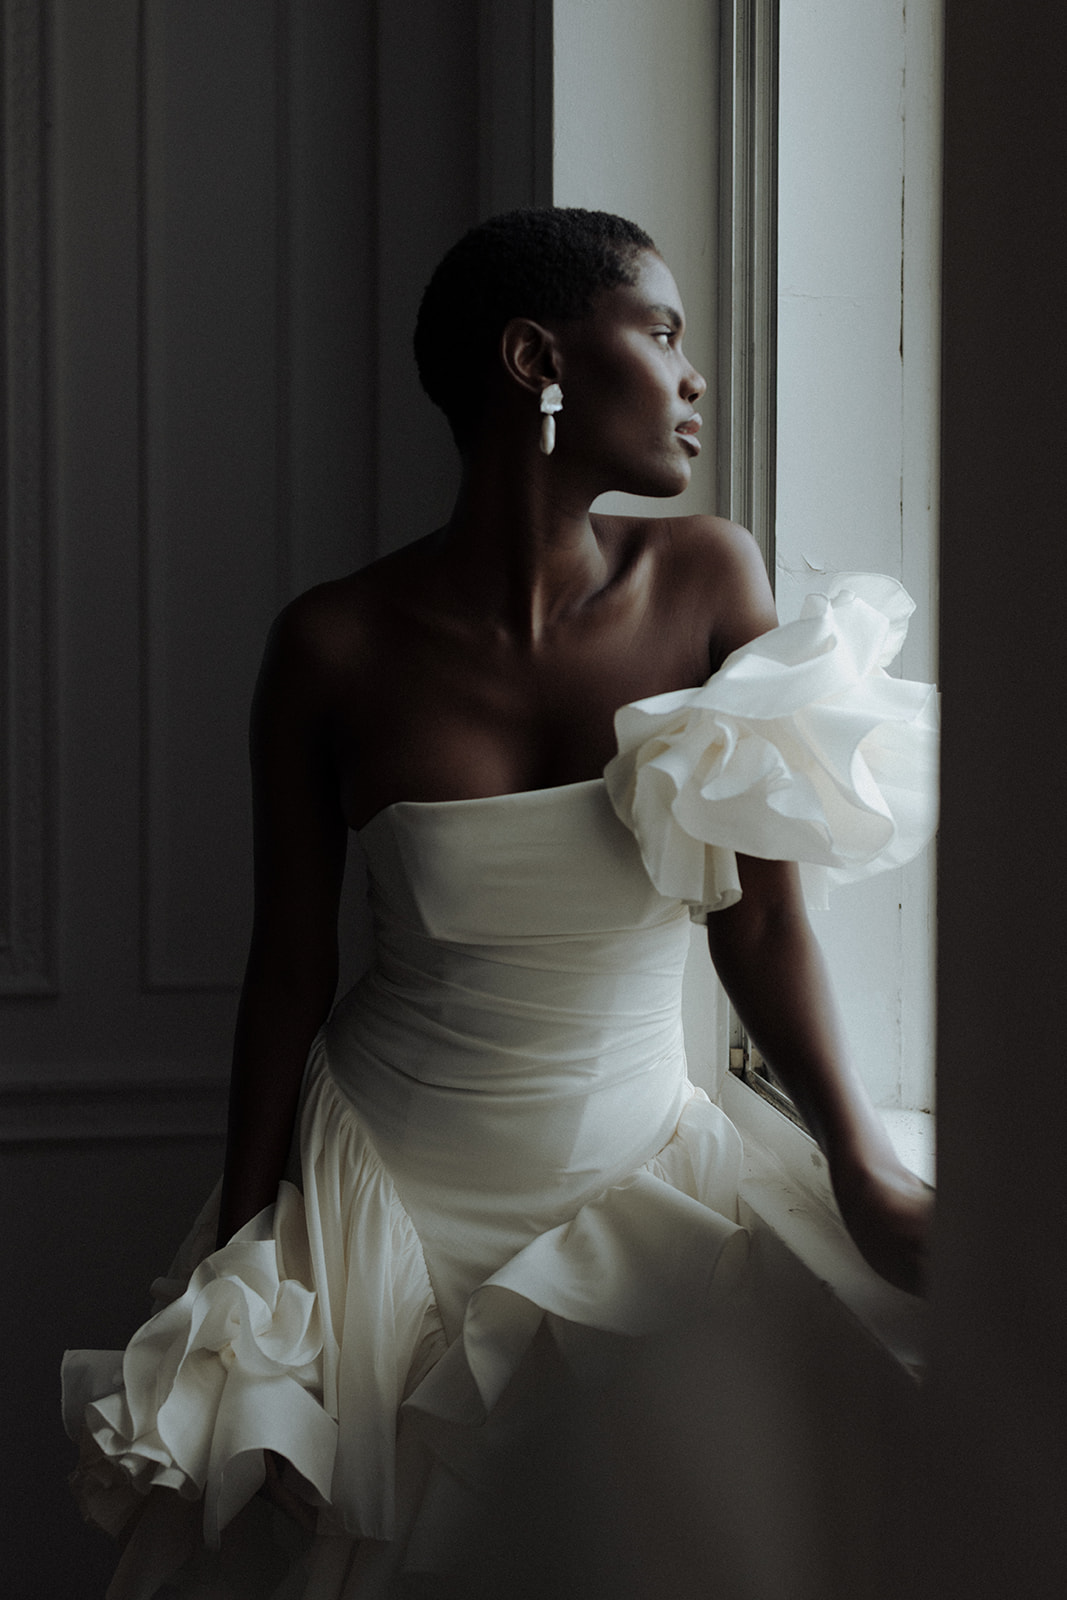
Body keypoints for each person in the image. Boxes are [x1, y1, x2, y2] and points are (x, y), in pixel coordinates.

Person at [63, 207, 937, 1598]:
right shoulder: (332, 643)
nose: (692, 377)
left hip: (635, 1179)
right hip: (383, 1198)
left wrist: (855, 1157)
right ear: (538, 356)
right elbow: (287, 966)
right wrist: (243, 1257)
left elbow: (760, 920)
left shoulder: (710, 576)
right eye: (659, 332)